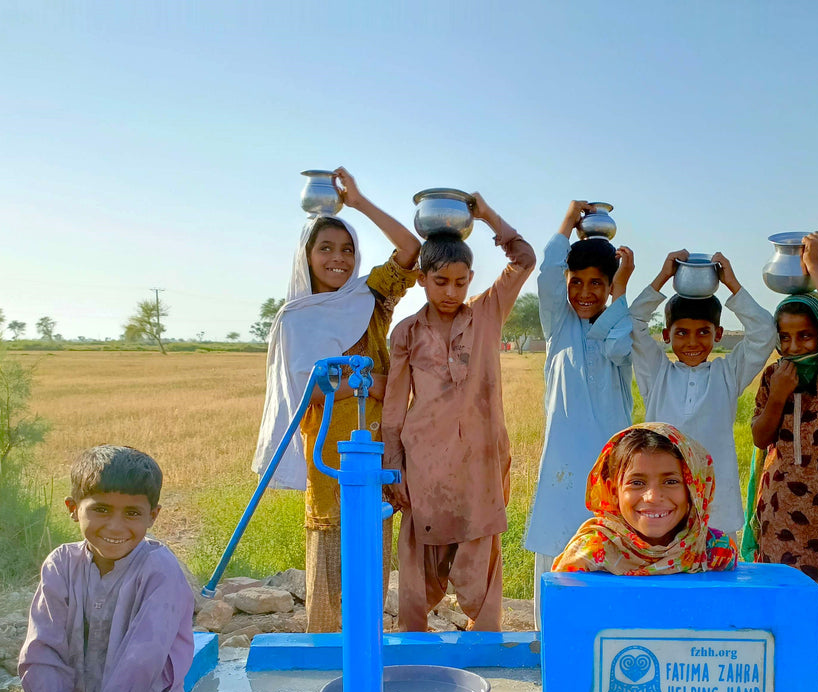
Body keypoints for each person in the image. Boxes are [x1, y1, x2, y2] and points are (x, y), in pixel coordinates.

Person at [5, 445, 204, 692]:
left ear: (153, 516)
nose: (115, 527)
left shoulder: (159, 571)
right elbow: (42, 652)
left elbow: (138, 668)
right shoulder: (60, 565)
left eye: (132, 513)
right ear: (72, 507)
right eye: (100, 510)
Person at [252, 168, 419, 632]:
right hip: (327, 455)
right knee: (328, 562)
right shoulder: (294, 318)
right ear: (306, 255)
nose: (338, 259)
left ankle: (367, 655)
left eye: (347, 249)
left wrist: (360, 202)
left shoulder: (369, 298)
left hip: (376, 449)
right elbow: (302, 394)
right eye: (325, 248)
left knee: (371, 556)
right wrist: (372, 383)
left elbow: (410, 251)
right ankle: (323, 665)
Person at [381, 194, 536, 631]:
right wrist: (393, 467)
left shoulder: (488, 314)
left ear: (471, 280)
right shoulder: (407, 333)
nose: (451, 292)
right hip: (424, 465)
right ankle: (413, 650)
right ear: (422, 280)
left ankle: (484, 648)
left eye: (461, 281)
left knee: (481, 555)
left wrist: (486, 215)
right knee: (416, 562)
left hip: (481, 463)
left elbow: (524, 259)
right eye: (440, 282)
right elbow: (394, 409)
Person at [745, 232, 818, 692]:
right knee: (781, 595)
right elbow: (758, 436)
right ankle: (781, 681)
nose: (795, 344)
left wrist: (814, 265)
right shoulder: (776, 375)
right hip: (782, 511)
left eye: (805, 335)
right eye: (786, 337)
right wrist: (777, 397)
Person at [523, 200, 635, 624]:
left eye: (596, 284)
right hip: (562, 468)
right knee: (557, 553)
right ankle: (546, 642)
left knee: (609, 558)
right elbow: (548, 273)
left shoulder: (619, 325)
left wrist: (623, 291)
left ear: (609, 287)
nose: (584, 293)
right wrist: (568, 221)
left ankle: (602, 639)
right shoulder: (559, 325)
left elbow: (618, 347)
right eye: (577, 282)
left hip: (611, 468)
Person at [629, 250, 776, 535]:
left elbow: (764, 332)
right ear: (666, 335)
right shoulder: (657, 373)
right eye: (681, 332)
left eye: (703, 332)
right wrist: (663, 277)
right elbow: (634, 324)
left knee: (716, 575)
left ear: (718, 335)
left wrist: (732, 283)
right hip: (662, 504)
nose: (692, 341)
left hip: (716, 507)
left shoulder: (727, 374)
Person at [553, 423, 738, 575]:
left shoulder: (714, 551)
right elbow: (564, 608)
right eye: (637, 483)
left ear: (693, 490)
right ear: (614, 492)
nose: (653, 497)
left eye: (671, 481)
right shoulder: (590, 553)